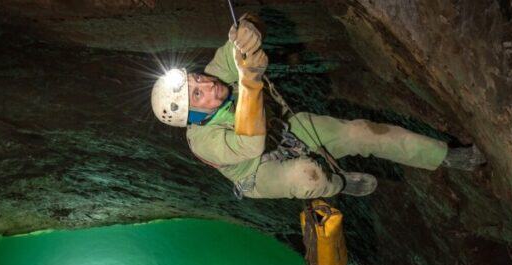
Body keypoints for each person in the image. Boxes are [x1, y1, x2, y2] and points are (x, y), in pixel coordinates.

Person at [150, 14, 486, 200]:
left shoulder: (213, 77)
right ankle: (340, 185)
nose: (206, 85)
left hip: (284, 130)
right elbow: (251, 143)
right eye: (197, 96)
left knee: (361, 132)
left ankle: (441, 155)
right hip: (256, 172)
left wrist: (249, 29)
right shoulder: (202, 141)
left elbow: (242, 37)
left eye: (195, 79)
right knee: (308, 175)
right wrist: (249, 80)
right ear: (193, 117)